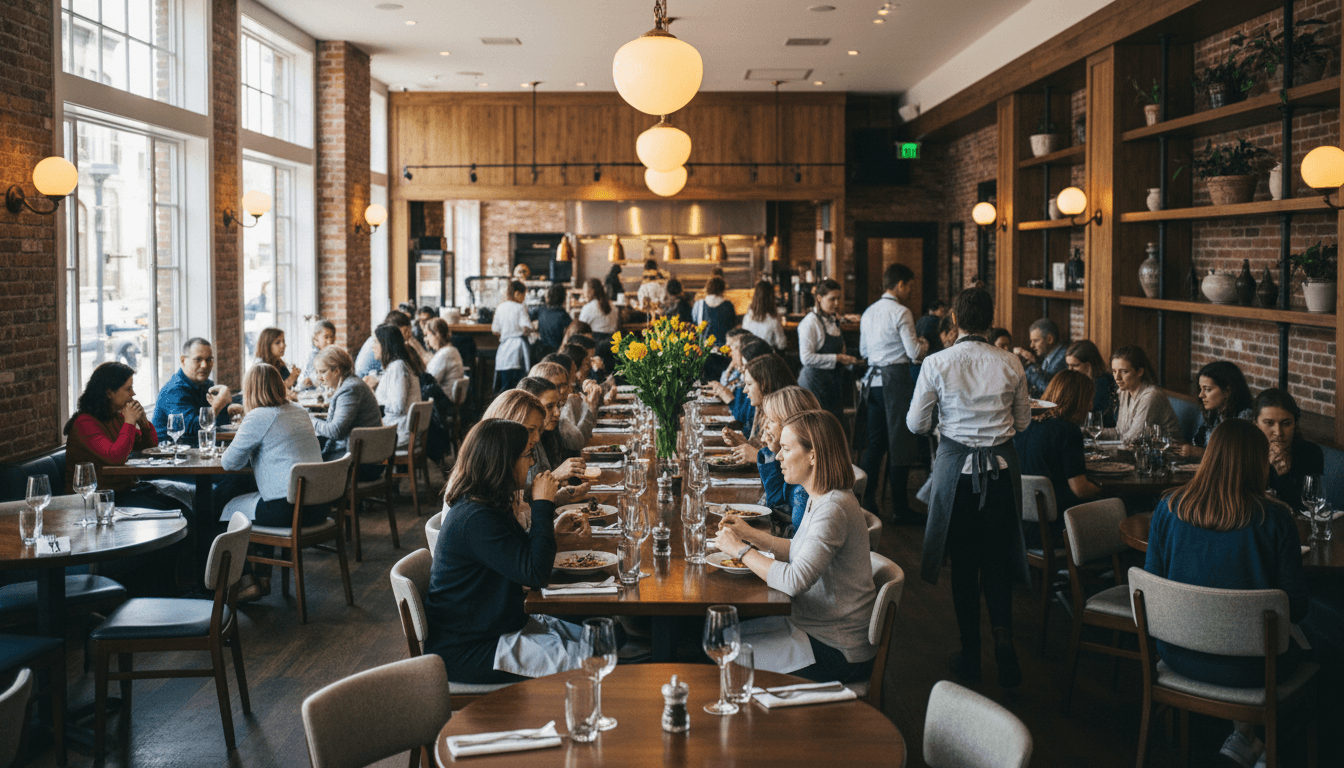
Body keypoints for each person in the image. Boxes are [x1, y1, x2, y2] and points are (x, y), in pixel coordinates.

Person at [1144, 418, 1341, 768]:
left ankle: (1244, 740)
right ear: (1257, 460)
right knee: (1323, 646)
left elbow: (1152, 587)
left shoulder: (1168, 508)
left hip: (1177, 654)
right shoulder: (1274, 519)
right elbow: (1294, 608)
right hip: (1252, 672)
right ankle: (1266, 741)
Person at [907, 287, 1031, 688]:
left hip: (957, 473)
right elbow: (1024, 423)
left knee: (964, 566)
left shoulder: (938, 362)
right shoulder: (1010, 361)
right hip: (999, 475)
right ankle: (1003, 639)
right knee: (996, 562)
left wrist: (945, 424)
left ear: (955, 321)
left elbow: (915, 424)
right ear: (990, 320)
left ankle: (971, 654)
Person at [424, 419, 594, 683]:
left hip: (500, 625)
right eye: (527, 455)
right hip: (470, 648)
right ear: (503, 461)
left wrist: (551, 530)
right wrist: (542, 503)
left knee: (602, 640)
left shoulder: (487, 502)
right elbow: (535, 574)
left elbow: (514, 557)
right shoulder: (475, 518)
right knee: (596, 665)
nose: (531, 464)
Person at [714, 411, 877, 682]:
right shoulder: (821, 496)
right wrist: (749, 533)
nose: (777, 456)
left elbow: (794, 580)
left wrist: (740, 551)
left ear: (813, 455)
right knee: (719, 633)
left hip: (838, 649)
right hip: (810, 627)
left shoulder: (833, 507)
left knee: (720, 655)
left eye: (786, 449)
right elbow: (797, 550)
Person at [220, 363, 326, 602]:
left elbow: (229, 463)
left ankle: (247, 581)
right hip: (319, 508)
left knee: (224, 508)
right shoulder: (299, 410)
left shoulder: (258, 416)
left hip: (289, 511)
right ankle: (264, 579)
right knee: (263, 496)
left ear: (249, 390)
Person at [858, 263, 927, 523]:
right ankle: (900, 508)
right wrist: (924, 345)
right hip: (895, 381)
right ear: (900, 284)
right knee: (900, 443)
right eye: (909, 285)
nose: (910, 291)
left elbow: (864, 352)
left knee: (876, 444)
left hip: (872, 383)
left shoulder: (868, 312)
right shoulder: (902, 311)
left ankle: (866, 501)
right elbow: (913, 353)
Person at [64, 362, 183, 511]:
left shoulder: (115, 416)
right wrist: (129, 421)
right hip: (99, 498)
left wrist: (144, 422)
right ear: (109, 393)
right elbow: (115, 457)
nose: (133, 394)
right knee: (175, 512)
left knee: (181, 508)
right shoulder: (85, 423)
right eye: (128, 389)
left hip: (124, 490)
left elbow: (149, 448)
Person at [1012, 370, 1101, 544]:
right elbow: (1080, 489)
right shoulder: (1067, 431)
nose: (1091, 406)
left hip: (1022, 526)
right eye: (1089, 399)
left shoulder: (1025, 423)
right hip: (1059, 529)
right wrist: (1104, 488)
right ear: (1078, 400)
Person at [752, 387, 820, 535]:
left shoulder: (804, 487)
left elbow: (773, 505)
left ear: (791, 425)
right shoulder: (795, 466)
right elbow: (773, 503)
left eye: (770, 420)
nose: (765, 426)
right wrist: (771, 450)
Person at [309, 346, 383, 474]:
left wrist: (308, 420)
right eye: (317, 373)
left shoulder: (349, 390)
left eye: (322, 372)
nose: (319, 378)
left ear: (337, 370)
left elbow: (336, 431)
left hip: (359, 466)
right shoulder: (352, 383)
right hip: (366, 457)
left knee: (302, 463)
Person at [153, 337, 242, 440]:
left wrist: (229, 410)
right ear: (183, 360)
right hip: (170, 453)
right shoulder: (173, 391)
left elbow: (218, 423)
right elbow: (194, 428)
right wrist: (218, 405)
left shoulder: (206, 385)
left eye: (209, 360)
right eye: (198, 359)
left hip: (197, 449)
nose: (204, 365)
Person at [798, 278, 860, 426]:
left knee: (835, 426)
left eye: (838, 299)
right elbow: (806, 358)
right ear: (819, 298)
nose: (837, 304)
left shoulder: (833, 320)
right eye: (832, 299)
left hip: (832, 383)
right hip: (814, 384)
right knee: (821, 428)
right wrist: (837, 358)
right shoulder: (810, 323)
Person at [1254, 388, 1325, 515]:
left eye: (1286, 424)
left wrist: (1284, 477)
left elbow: (1308, 510)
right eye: (1269, 423)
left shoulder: (1311, 453)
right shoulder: (1246, 453)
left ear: (1295, 424)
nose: (1278, 432)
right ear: (1256, 424)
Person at [1178, 360, 1255, 458]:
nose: (1201, 395)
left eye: (1208, 389)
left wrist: (1200, 453)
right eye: (1201, 389)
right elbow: (1198, 443)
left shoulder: (1244, 417)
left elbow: (1235, 458)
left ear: (1227, 392)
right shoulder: (1214, 413)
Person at [723, 354, 797, 454]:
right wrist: (743, 443)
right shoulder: (761, 409)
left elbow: (783, 462)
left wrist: (756, 456)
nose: (745, 390)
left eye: (749, 384)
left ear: (765, 384)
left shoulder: (787, 416)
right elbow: (763, 451)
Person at [1111, 345, 1180, 445]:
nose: (1117, 377)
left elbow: (1133, 438)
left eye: (1124, 372)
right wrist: (1087, 432)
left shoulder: (1151, 396)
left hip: (1166, 455)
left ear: (1139, 372)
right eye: (1114, 371)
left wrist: (1101, 445)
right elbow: (1119, 432)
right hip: (1137, 450)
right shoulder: (1124, 391)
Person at [372, 324, 425, 448]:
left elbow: (397, 407)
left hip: (399, 433)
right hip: (402, 429)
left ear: (385, 344)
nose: (372, 346)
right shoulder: (400, 365)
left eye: (376, 342)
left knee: (354, 441)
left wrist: (373, 402)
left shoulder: (398, 367)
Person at [531, 360, 601, 453]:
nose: (565, 391)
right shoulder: (535, 424)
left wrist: (591, 407)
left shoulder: (561, 410)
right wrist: (590, 408)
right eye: (558, 386)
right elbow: (578, 443)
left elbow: (578, 442)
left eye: (565, 385)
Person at [492, 279, 535, 392]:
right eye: (523, 295)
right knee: (518, 385)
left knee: (504, 386)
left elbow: (495, 330)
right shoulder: (519, 307)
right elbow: (527, 328)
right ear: (517, 294)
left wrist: (507, 331)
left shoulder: (500, 307)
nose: (524, 298)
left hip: (503, 351)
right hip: (517, 349)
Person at [693, 275, 738, 383]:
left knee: (705, 382)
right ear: (723, 289)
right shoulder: (728, 305)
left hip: (704, 351)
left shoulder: (699, 304)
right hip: (724, 352)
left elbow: (695, 322)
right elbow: (733, 326)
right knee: (722, 382)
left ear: (707, 288)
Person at [1064, 339, 1117, 427]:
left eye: (1075, 365)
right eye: (1068, 365)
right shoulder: (1078, 381)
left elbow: (1091, 416)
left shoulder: (1102, 383)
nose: (1070, 370)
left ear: (1089, 366)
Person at [1014, 318, 1067, 398]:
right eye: (1031, 341)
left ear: (1049, 339)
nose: (1031, 345)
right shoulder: (1048, 356)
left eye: (1036, 341)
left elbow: (1047, 388)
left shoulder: (1063, 357)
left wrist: (1033, 364)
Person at [357, 311, 416, 377]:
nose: (409, 334)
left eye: (410, 330)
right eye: (405, 331)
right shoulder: (380, 343)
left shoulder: (391, 343)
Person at [579, 278, 620, 373]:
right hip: (612, 347)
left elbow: (580, 329)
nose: (583, 292)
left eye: (584, 289)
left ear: (592, 291)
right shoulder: (613, 307)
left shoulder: (587, 308)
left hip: (595, 348)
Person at [424, 318, 466, 395]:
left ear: (437, 335)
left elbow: (430, 380)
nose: (427, 339)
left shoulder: (445, 354)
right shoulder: (452, 350)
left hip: (443, 402)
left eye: (428, 335)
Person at [742, 280, 786, 350]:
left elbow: (744, 341)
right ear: (771, 297)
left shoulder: (747, 318)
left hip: (750, 357)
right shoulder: (773, 319)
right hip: (767, 357)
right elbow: (781, 344)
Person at [254, 327, 300, 394]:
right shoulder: (260, 366)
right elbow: (269, 393)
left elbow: (292, 385)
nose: (283, 345)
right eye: (277, 342)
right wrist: (292, 378)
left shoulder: (278, 362)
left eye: (283, 341)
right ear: (267, 345)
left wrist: (294, 377)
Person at [298, 320, 337, 390]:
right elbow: (301, 383)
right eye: (326, 337)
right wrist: (307, 382)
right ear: (316, 340)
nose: (330, 341)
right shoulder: (312, 357)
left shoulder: (335, 356)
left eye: (332, 337)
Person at [537, 284, 572, 351]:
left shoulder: (542, 310)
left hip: (542, 352)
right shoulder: (563, 316)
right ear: (563, 298)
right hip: (557, 352)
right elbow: (570, 335)